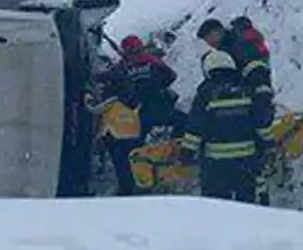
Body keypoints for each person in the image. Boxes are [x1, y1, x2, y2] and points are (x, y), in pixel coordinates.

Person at [197, 17, 275, 204]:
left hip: (252, 103)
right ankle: (258, 199)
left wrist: (256, 100)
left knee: (256, 158)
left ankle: (260, 203)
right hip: (249, 103)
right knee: (252, 159)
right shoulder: (234, 46)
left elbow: (257, 76)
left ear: (216, 31)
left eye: (209, 38)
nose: (210, 43)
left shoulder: (238, 48)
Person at [179, 50, 272, 203]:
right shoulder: (247, 90)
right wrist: (269, 142)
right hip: (246, 161)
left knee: (217, 207)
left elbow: (195, 127)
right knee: (247, 205)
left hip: (216, 164)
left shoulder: (206, 93)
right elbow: (259, 121)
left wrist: (186, 152)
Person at [98, 35, 178, 141]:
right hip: (161, 107)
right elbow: (171, 76)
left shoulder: (124, 67)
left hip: (138, 113)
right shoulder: (153, 61)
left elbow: (106, 77)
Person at [88, 72, 143, 195]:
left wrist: (88, 97)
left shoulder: (111, 100)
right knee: (131, 164)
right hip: (133, 134)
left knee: (120, 166)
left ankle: (125, 190)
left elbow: (93, 109)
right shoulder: (130, 98)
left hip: (117, 136)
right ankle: (134, 186)